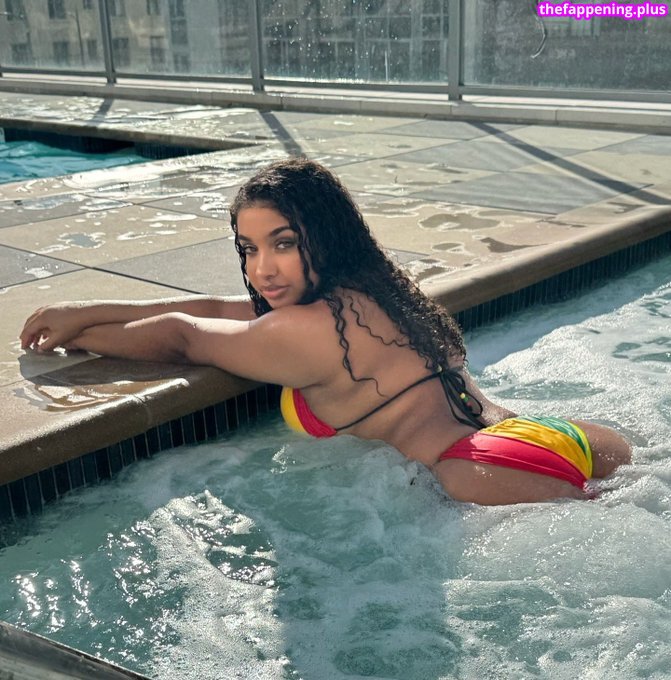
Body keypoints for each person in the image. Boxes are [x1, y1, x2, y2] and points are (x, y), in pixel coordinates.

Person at [20, 158, 631, 505]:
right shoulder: (383, 290)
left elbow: (183, 334)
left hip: (472, 470)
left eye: (283, 244)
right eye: (249, 248)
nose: (263, 269)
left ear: (324, 238)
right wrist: (90, 307)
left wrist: (86, 335)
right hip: (541, 435)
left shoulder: (302, 331)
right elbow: (226, 308)